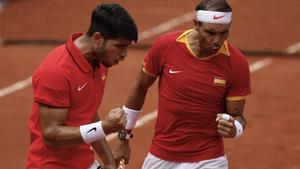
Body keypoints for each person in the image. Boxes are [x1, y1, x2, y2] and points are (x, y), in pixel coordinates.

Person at [114, 0, 251, 168]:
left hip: (208, 159)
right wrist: (123, 138)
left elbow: (238, 116)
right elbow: (140, 87)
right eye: (210, 32)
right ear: (196, 24)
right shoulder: (166, 46)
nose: (217, 40)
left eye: (224, 33)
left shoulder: (237, 63)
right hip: (161, 155)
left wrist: (235, 129)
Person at [26, 3, 138, 169]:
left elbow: (88, 113)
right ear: (97, 38)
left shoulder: (100, 62)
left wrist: (108, 163)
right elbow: (51, 134)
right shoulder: (56, 71)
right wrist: (104, 127)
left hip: (85, 163)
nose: (124, 55)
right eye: (120, 46)